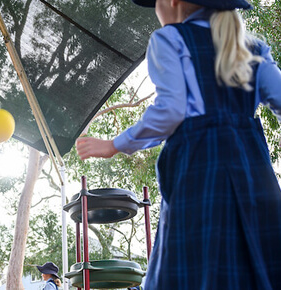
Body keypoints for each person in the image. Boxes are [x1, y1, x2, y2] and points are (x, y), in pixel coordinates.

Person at [76, 0, 281, 288]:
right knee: (256, 262)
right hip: (255, 178)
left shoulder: (170, 38)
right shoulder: (253, 49)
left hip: (201, 171)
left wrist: (114, 144)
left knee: (197, 269)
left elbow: (171, 111)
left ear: (173, 2)